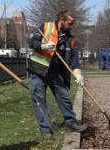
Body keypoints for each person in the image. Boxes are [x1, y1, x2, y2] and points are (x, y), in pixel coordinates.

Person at [28, 10, 87, 139]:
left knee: (64, 97)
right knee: (39, 101)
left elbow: (74, 59)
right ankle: (45, 130)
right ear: (61, 19)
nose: (71, 27)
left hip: (55, 73)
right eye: (69, 23)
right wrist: (44, 46)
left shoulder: (70, 39)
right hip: (39, 70)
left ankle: (71, 123)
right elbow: (32, 42)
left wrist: (77, 74)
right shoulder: (45, 27)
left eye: (72, 24)